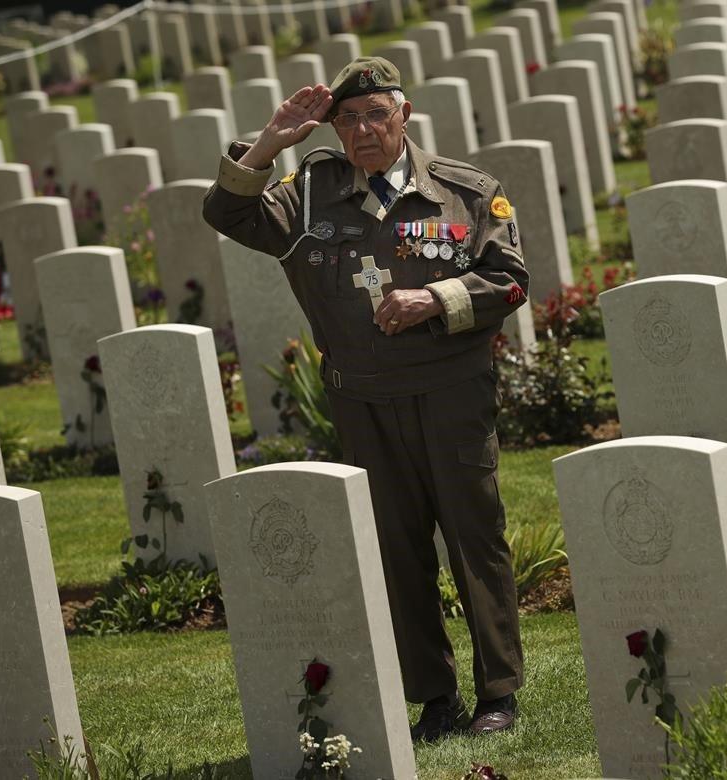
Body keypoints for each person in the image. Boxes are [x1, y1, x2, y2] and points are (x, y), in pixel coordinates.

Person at [202, 57, 528, 741]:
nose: (362, 130)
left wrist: (434, 298)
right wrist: (270, 142)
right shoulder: (311, 194)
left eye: (376, 114)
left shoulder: (465, 193)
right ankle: (434, 695)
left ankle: (498, 691)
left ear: (403, 115)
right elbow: (228, 212)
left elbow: (509, 282)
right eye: (347, 119)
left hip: (451, 398)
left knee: (475, 542)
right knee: (395, 550)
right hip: (365, 405)